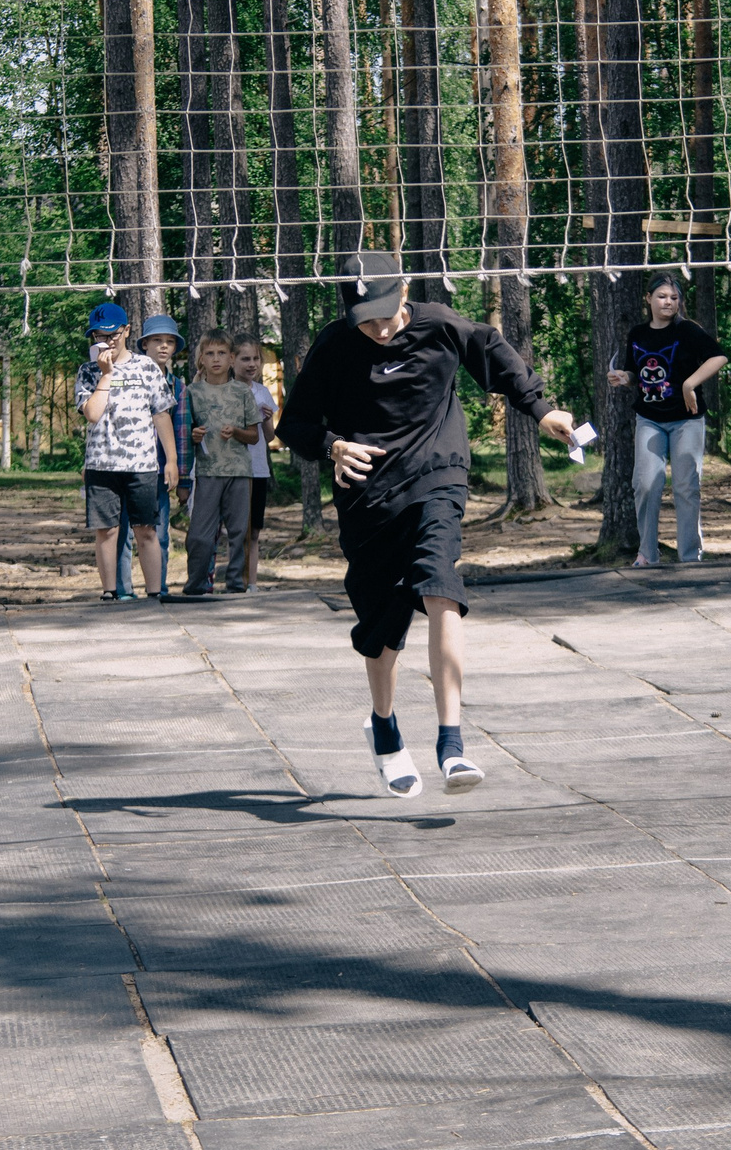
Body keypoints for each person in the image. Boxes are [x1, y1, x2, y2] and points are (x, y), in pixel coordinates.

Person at [276, 251, 574, 799]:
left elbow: (495, 352)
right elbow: (293, 424)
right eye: (366, 319)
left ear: (405, 292)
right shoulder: (335, 346)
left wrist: (541, 409)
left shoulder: (439, 325)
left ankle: (451, 743)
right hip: (368, 498)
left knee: (440, 585)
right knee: (382, 631)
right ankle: (384, 726)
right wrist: (332, 446)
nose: (378, 328)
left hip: (438, 474)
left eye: (386, 314)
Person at [611, 275, 727, 567]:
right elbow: (634, 372)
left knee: (685, 486)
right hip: (649, 418)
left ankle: (689, 556)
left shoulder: (687, 330)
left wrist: (689, 384)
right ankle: (647, 555)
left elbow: (718, 357)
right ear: (648, 299)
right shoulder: (637, 333)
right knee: (646, 484)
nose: (668, 302)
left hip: (686, 419)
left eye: (674, 298)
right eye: (662, 296)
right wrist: (625, 377)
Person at [76, 301, 178, 600]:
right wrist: (106, 374)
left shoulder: (147, 367)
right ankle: (110, 591)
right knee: (107, 530)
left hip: (142, 464)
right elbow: (92, 413)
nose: (107, 341)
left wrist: (171, 459)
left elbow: (161, 414)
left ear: (127, 331)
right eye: (99, 336)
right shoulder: (87, 371)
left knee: (146, 529)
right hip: (102, 463)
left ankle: (155, 594)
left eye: (113, 334)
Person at [181, 333, 259, 597]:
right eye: (210, 354)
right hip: (207, 472)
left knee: (239, 532)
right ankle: (196, 586)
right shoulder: (192, 392)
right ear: (201, 359)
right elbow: (185, 432)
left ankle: (236, 586)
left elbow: (254, 436)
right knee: (199, 535)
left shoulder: (242, 392)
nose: (216, 359)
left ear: (231, 358)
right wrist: (194, 436)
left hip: (239, 471)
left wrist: (236, 431)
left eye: (222, 353)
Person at [141, 315, 186, 598]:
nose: (163, 346)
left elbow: (181, 432)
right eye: (157, 340)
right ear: (144, 344)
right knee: (124, 532)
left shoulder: (177, 386)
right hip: (130, 466)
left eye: (170, 341)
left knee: (159, 532)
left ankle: (160, 588)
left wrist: (182, 474)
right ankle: (121, 589)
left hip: (161, 469)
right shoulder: (129, 377)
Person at [235, 337, 278, 591]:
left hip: (258, 469)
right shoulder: (227, 389)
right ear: (233, 360)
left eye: (255, 359)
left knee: (253, 530)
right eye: (245, 359)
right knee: (235, 529)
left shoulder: (262, 392)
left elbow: (269, 437)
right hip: (233, 469)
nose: (252, 364)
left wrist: (267, 419)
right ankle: (233, 581)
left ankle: (251, 583)